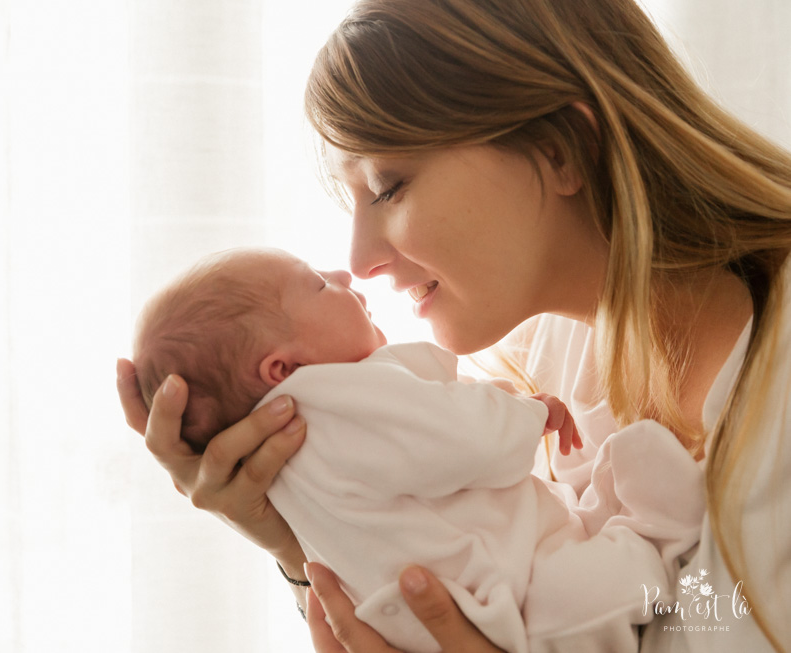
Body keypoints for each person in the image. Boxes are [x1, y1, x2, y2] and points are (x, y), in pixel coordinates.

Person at [118, 0, 791, 650]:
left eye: (387, 186)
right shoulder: (532, 356)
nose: (358, 259)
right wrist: (297, 533)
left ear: (564, 150)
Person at [132, 246, 703, 653]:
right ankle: (655, 530)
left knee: (583, 546)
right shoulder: (336, 405)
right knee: (605, 581)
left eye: (389, 186)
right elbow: (466, 439)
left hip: (465, 604)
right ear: (283, 368)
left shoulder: (295, 445)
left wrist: (289, 550)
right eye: (317, 283)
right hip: (510, 604)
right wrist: (532, 412)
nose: (349, 266)